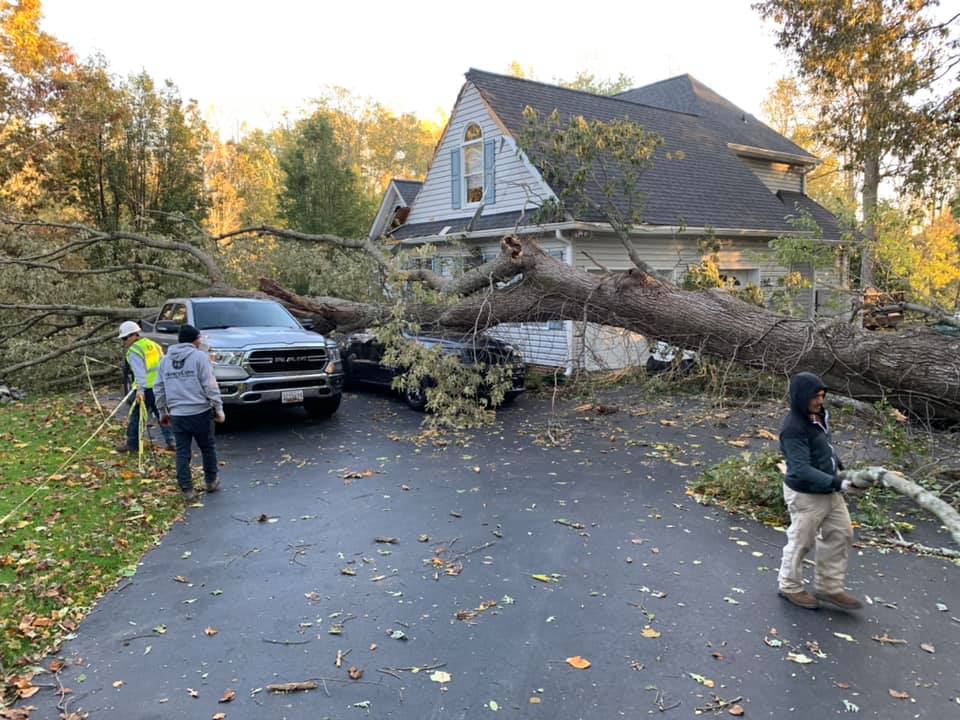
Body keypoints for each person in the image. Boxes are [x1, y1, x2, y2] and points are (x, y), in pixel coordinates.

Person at [777, 372, 863, 611]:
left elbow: (826, 448)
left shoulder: (819, 416)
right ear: (800, 396)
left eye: (822, 395)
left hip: (829, 489)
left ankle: (829, 587)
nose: (819, 401)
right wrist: (840, 484)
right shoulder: (793, 428)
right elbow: (801, 468)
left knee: (841, 534)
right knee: (801, 541)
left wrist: (843, 472)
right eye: (815, 396)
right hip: (805, 494)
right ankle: (790, 587)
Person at [154, 324, 225, 501]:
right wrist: (218, 408)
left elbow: (159, 388)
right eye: (199, 338)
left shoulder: (165, 360)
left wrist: (163, 412)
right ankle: (210, 481)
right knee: (207, 447)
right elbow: (210, 385)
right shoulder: (200, 357)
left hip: (178, 414)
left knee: (183, 451)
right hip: (200, 411)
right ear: (196, 339)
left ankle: (186, 488)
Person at [117, 321, 175, 453]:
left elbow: (140, 373)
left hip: (146, 389)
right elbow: (163, 364)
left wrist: (140, 391)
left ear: (134, 335)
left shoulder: (134, 350)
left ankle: (132, 444)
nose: (124, 342)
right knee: (162, 414)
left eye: (125, 338)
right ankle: (172, 442)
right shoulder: (153, 344)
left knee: (137, 417)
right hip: (159, 387)